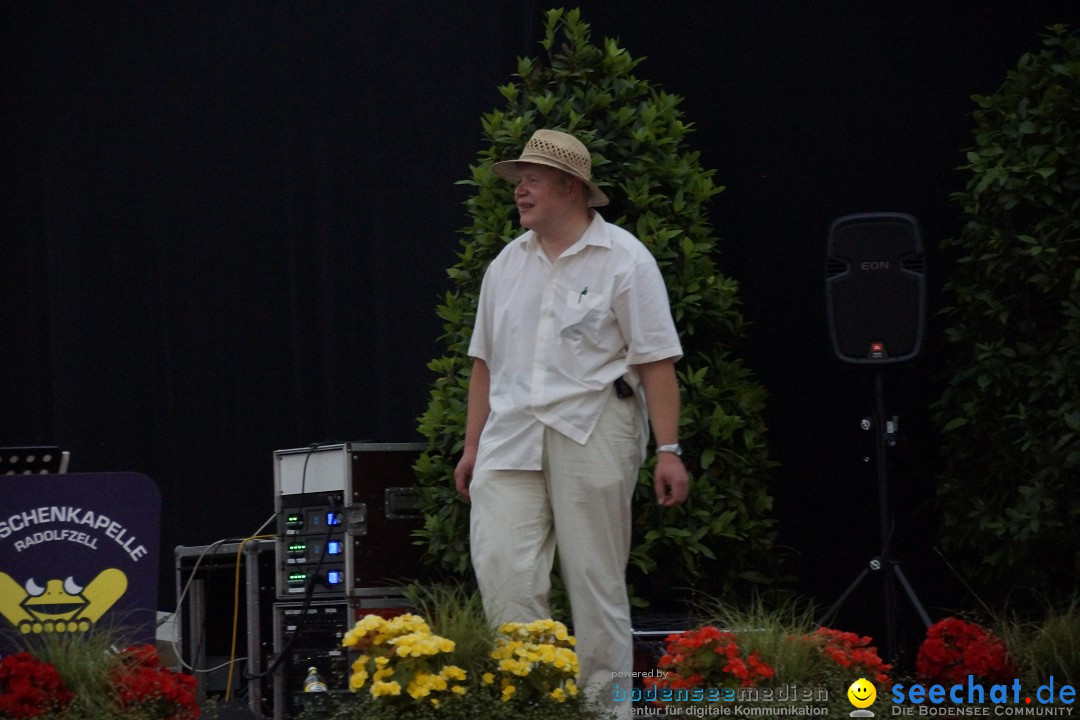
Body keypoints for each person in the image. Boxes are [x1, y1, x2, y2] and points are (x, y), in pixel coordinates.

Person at [454, 128, 689, 718]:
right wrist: (470, 445)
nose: (520, 191)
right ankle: (537, 704)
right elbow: (484, 364)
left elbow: (656, 363)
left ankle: (606, 712)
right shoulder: (505, 265)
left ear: (572, 188)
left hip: (593, 426)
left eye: (532, 179)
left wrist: (669, 450)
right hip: (509, 437)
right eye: (518, 181)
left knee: (595, 584)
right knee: (504, 576)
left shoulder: (626, 259)